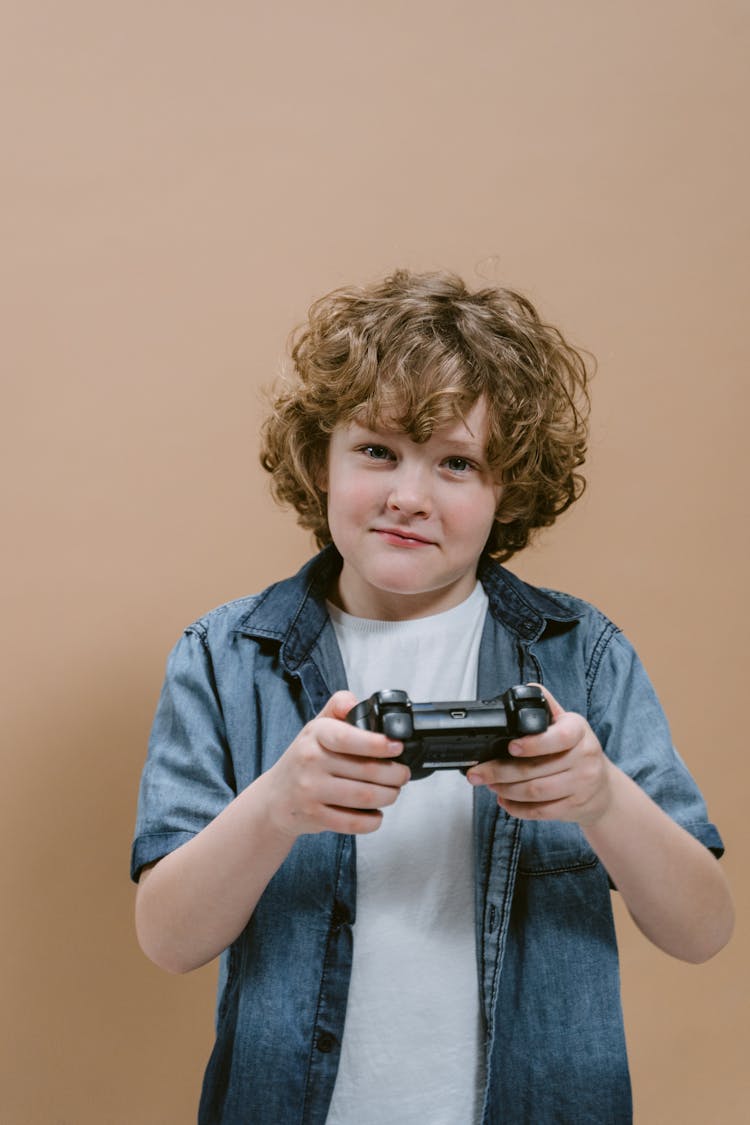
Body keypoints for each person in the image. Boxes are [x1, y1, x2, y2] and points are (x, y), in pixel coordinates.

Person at [131, 269, 733, 1125]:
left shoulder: (582, 658)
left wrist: (602, 799)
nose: (408, 496)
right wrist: (277, 805)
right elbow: (166, 938)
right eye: (377, 451)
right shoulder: (225, 658)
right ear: (320, 459)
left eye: (457, 462)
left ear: (506, 491)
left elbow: (704, 928)